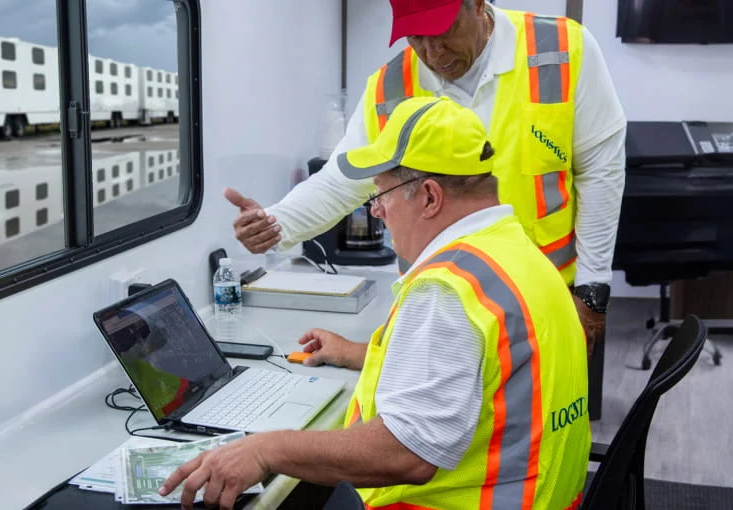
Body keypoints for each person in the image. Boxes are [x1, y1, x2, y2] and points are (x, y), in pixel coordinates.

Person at [161, 96, 591, 510]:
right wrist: (357, 354)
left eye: (380, 195)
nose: (378, 212)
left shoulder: (447, 289)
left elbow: (409, 451)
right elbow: (482, 367)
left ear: (429, 197)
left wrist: (265, 449)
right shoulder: (517, 252)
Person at [225, 0, 625, 352]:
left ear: (478, 5)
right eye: (415, 37)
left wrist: (592, 293)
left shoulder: (561, 50)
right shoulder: (390, 88)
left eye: (443, 30)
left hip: (543, 301)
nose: (433, 52)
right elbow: (342, 179)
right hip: (440, 309)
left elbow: (601, 172)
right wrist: (277, 222)